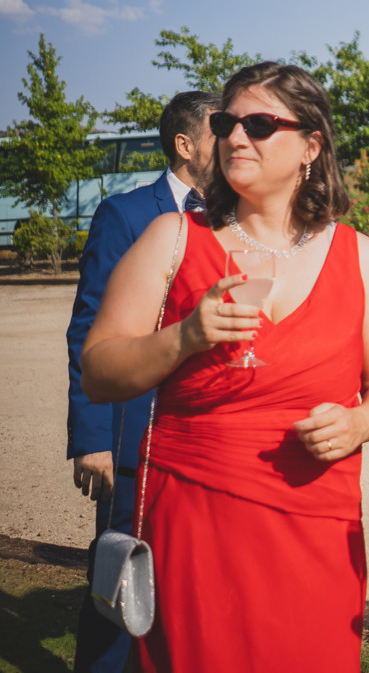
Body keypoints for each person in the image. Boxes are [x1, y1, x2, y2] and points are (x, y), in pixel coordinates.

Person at [81, 62, 369, 673]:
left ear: (311, 144)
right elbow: (99, 369)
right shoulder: (173, 237)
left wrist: (360, 424)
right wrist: (185, 336)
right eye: (226, 122)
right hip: (196, 521)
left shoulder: (360, 255)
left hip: (314, 520)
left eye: (258, 124)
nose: (236, 137)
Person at [65, 89, 218, 673]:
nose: (234, 142)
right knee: (119, 584)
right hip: (134, 437)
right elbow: (88, 333)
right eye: (219, 130)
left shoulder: (233, 221)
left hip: (203, 437)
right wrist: (93, 438)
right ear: (185, 145)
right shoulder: (126, 216)